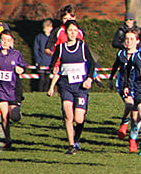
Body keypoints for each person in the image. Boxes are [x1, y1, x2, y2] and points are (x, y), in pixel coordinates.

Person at [47, 20, 95, 154]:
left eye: (75, 30)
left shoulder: (83, 47)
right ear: (66, 32)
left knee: (79, 118)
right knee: (68, 116)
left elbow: (92, 63)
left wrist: (89, 78)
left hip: (81, 87)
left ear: (78, 32)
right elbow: (53, 65)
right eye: (70, 30)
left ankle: (77, 137)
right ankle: (71, 145)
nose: (72, 33)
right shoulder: (60, 48)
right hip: (65, 85)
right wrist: (54, 70)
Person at [0, 30, 27, 148]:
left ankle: (17, 113)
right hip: (0, 88)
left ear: (12, 42)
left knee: (14, 117)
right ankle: (8, 140)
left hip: (14, 89)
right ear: (0, 41)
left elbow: (23, 66)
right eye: (3, 40)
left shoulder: (16, 54)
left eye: (8, 40)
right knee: (4, 116)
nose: (5, 42)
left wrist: (20, 69)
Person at [108, 27, 140, 145]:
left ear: (137, 41)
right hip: (123, 84)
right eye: (127, 39)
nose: (129, 41)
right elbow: (116, 66)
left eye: (132, 39)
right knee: (129, 104)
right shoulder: (121, 53)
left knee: (136, 115)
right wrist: (111, 79)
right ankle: (125, 121)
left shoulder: (140, 55)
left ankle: (133, 139)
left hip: (137, 86)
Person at [33, 19, 53, 93]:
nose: (47, 29)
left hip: (50, 62)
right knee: (41, 79)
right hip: (41, 61)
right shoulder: (39, 37)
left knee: (47, 79)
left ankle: (46, 92)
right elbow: (36, 50)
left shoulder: (53, 38)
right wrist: (38, 60)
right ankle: (40, 92)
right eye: (45, 27)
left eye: (48, 27)